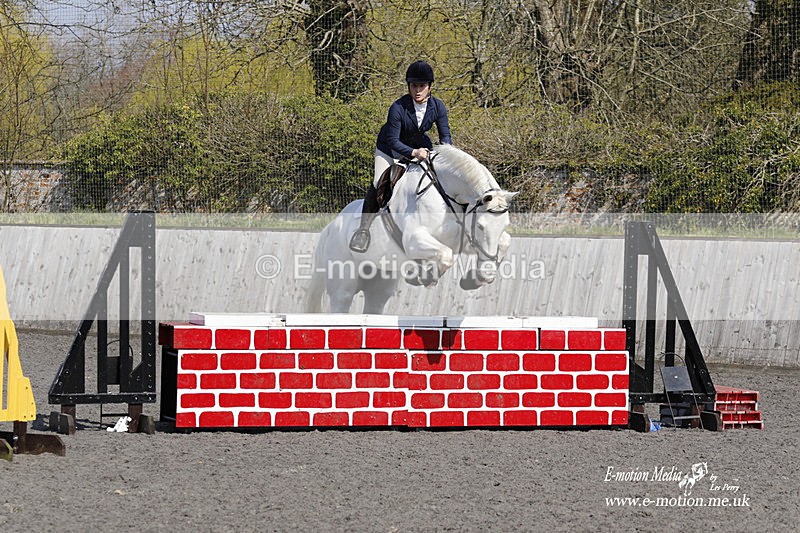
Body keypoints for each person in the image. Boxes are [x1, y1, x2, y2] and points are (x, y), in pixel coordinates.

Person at [349, 60, 452, 253]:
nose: (418, 90)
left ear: (430, 87)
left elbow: (445, 136)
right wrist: (414, 153)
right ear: (409, 86)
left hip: (419, 146)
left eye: (422, 86)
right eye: (414, 86)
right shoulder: (398, 107)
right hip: (390, 148)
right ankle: (363, 230)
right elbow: (394, 141)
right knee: (379, 180)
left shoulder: (438, 107)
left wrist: (444, 154)